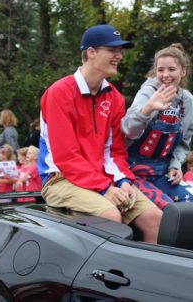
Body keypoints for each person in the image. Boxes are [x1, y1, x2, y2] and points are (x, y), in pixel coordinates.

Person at [38, 24, 162, 244]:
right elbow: (66, 156)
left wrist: (123, 180)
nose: (119, 56)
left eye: (120, 51)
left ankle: (145, 277)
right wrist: (105, 189)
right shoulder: (59, 93)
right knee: (110, 216)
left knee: (155, 218)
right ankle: (111, 277)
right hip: (60, 179)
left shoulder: (115, 97)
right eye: (112, 50)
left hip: (101, 178)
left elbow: (115, 151)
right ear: (91, 52)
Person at [121, 43, 193, 246]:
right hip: (132, 173)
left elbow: (184, 142)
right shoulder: (147, 93)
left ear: (183, 71)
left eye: (171, 69)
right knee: (171, 210)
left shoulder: (187, 101)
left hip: (163, 173)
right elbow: (127, 130)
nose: (165, 74)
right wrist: (147, 109)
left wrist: (175, 165)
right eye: (160, 69)